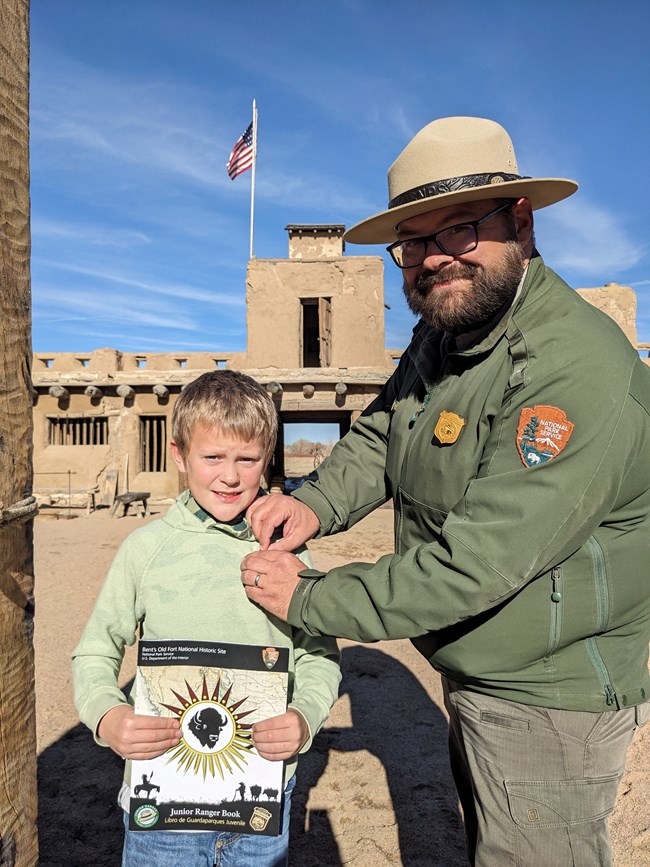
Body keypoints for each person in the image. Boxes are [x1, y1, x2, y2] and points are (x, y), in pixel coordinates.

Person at [240, 116, 650, 866]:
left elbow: (474, 562)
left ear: (520, 221)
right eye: (416, 241)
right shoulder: (448, 330)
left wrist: (308, 598)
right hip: (482, 660)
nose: (435, 259)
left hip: (547, 691)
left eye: (459, 229)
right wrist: (314, 502)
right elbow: (378, 435)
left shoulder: (569, 370)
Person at [72, 369, 341, 867]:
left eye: (248, 459)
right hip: (163, 812)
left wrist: (304, 719)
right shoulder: (145, 551)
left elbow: (319, 658)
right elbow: (95, 650)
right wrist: (108, 718)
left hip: (260, 806)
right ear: (179, 456)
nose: (231, 475)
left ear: (267, 460)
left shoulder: (288, 554)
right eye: (213, 457)